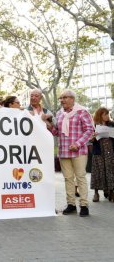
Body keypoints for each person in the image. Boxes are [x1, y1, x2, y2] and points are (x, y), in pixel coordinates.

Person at [46, 89, 94, 217]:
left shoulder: (82, 112)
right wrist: (50, 127)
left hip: (79, 151)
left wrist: (77, 144)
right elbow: (58, 132)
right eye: (61, 98)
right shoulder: (60, 114)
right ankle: (71, 204)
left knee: (80, 177)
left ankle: (84, 205)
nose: (62, 100)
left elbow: (90, 130)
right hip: (64, 151)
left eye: (64, 97)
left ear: (72, 99)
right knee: (68, 179)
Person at [90, 107, 114, 202]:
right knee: (97, 171)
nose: (107, 116)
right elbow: (90, 140)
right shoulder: (93, 125)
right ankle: (96, 193)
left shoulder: (112, 124)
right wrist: (93, 137)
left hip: (110, 151)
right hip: (98, 151)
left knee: (110, 171)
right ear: (100, 115)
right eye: (105, 114)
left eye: (108, 114)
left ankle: (111, 191)